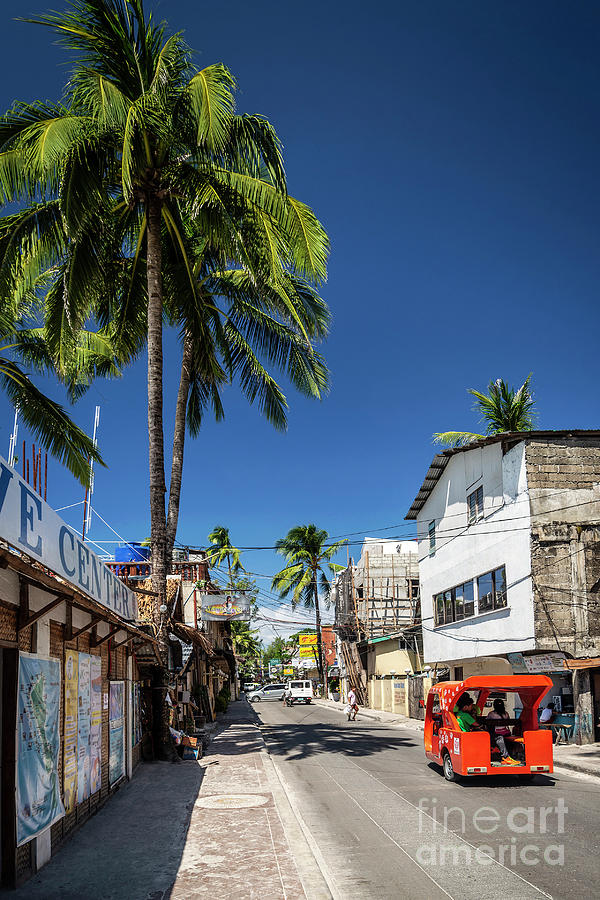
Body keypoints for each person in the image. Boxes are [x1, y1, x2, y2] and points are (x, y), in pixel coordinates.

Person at [486, 698, 520, 765]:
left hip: (497, 733)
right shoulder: (506, 713)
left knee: (499, 738)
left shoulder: (491, 714)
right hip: (506, 733)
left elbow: (487, 723)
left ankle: (505, 756)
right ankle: (512, 756)